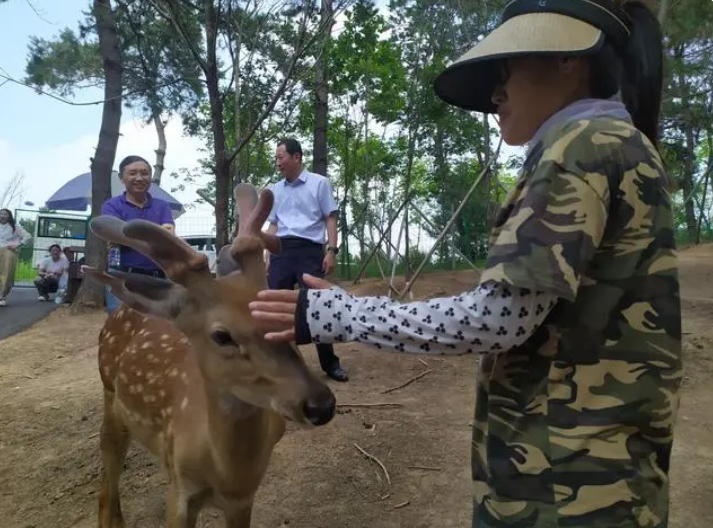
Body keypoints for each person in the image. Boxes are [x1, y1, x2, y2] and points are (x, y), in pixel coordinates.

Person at [250, 1, 681, 527]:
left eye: (505, 73)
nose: (496, 94)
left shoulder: (583, 147)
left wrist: (342, 313)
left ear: (570, 58)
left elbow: (498, 320)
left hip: (566, 488)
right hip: (596, 471)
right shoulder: (618, 143)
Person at [265, 137, 348, 382]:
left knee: (316, 306)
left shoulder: (319, 184)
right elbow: (273, 224)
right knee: (275, 309)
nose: (277, 163)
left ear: (296, 157)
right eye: (276, 158)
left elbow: (330, 218)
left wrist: (332, 250)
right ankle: (283, 366)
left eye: (281, 157)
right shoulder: (274, 190)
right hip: (281, 250)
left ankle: (330, 364)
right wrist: (267, 253)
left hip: (310, 250)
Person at [101, 155, 175, 314]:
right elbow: (116, 235)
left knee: (157, 326)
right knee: (121, 326)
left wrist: (129, 235)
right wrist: (156, 234)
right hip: (122, 277)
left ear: (150, 177)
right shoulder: (111, 206)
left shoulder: (162, 206)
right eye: (133, 173)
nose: (139, 178)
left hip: (158, 278)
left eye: (144, 173)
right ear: (122, 178)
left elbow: (169, 237)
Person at [0, 208, 32, 307]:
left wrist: (17, 245)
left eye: (5, 214)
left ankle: (3, 296)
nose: (3, 215)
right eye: (1, 213)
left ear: (9, 216)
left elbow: (27, 236)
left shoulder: (15, 227)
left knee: (7, 273)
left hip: (9, 251)